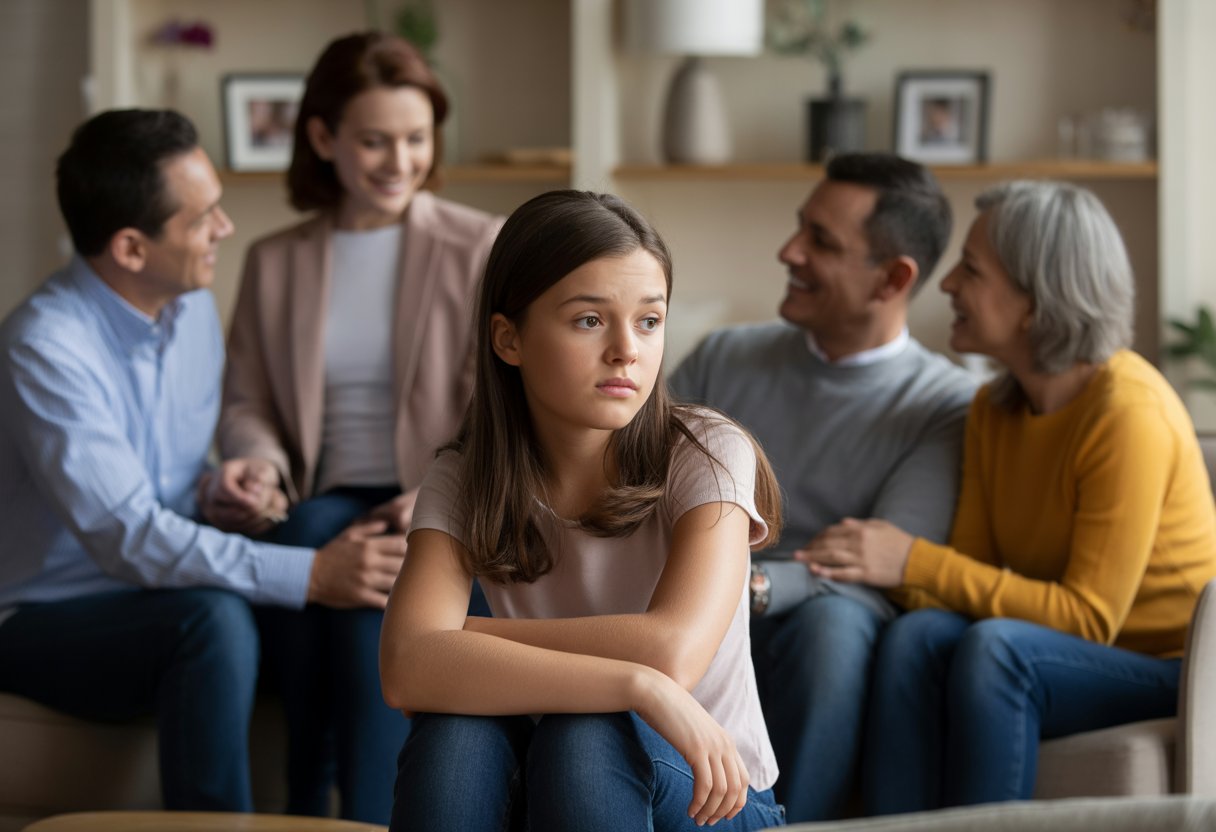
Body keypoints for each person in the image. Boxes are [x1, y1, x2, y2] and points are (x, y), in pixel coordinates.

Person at [0, 109, 406, 812]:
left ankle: (337, 817)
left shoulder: (186, 309)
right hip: (44, 613)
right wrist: (310, 575)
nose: (225, 229)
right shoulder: (45, 348)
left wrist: (216, 487)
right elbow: (127, 535)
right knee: (215, 618)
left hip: (150, 580)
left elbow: (160, 482)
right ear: (131, 248)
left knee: (318, 552)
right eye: (203, 218)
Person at [801, 181, 1216, 812]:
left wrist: (912, 560)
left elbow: (1088, 619)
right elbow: (972, 573)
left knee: (998, 651)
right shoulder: (993, 410)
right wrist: (866, 565)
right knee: (918, 636)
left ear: (1035, 299)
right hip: (1058, 646)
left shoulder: (1129, 413)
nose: (946, 286)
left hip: (1172, 667)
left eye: (971, 269)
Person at [380, 190, 788, 831]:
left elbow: (672, 651)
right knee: (454, 736)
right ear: (508, 339)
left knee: (588, 737)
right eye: (589, 321)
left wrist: (461, 639)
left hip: (716, 802)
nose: (628, 350)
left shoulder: (705, 450)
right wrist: (636, 684)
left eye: (649, 321)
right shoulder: (464, 474)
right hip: (566, 785)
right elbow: (406, 670)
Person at [200, 32, 502, 823]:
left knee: (373, 583)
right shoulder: (275, 260)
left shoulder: (484, 245)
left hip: (437, 495)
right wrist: (258, 463)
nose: (398, 161)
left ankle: (362, 814)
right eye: (374, 140)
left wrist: (437, 493)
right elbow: (247, 400)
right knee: (309, 536)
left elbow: (509, 401)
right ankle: (308, 807)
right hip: (318, 495)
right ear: (324, 137)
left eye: (415, 138)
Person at [668, 152, 977, 821]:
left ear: (892, 278)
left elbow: (874, 564)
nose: (789, 251)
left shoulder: (946, 403)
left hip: (821, 610)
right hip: (697, 580)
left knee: (834, 627)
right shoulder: (725, 357)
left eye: (821, 242)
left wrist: (756, 587)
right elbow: (633, 478)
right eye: (799, 227)